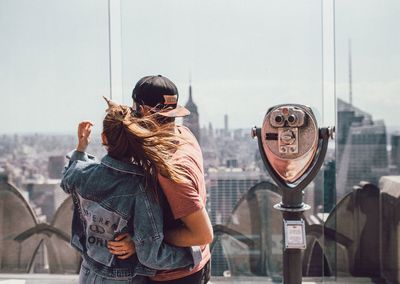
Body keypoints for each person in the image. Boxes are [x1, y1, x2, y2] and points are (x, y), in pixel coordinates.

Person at [60, 99, 202, 284]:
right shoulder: (141, 188)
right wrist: (191, 254)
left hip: (88, 272)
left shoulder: (83, 174)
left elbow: (67, 179)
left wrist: (81, 147)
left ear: (103, 138)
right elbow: (150, 255)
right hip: (123, 279)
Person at [107, 75, 213, 284]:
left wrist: (141, 242)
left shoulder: (170, 168)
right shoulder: (184, 134)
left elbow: (202, 234)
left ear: (144, 111)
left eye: (136, 109)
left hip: (175, 275)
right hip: (195, 262)